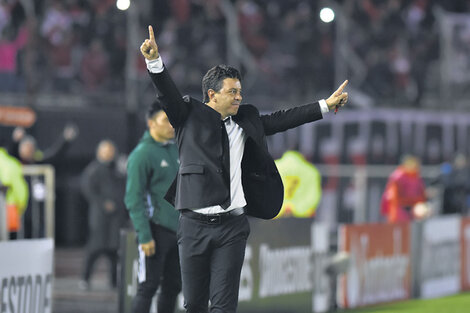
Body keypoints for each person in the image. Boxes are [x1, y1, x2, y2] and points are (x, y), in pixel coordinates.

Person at [140, 25, 348, 313]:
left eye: (240, 91)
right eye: (232, 91)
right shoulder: (187, 114)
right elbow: (167, 94)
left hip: (232, 227)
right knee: (194, 305)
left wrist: (324, 105)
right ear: (212, 94)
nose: (239, 97)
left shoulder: (246, 118)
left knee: (224, 307)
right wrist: (154, 62)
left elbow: (282, 119)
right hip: (193, 226)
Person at [124, 98, 181, 313]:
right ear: (151, 123)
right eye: (165, 121)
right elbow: (133, 198)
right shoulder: (142, 155)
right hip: (155, 230)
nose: (171, 126)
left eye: (172, 121)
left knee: (173, 287)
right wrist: (144, 234)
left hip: (179, 231)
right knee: (148, 286)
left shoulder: (176, 150)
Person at [79, 139, 126, 290]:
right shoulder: (93, 169)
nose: (108, 154)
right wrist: (103, 203)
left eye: (111, 151)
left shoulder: (118, 170)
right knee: (94, 249)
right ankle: (85, 279)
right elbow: (88, 190)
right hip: (100, 218)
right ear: (99, 152)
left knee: (114, 251)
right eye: (105, 151)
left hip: (116, 219)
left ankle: (113, 282)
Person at [380, 154, 428, 223]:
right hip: (400, 210)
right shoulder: (398, 177)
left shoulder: (417, 177)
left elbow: (422, 194)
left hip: (413, 210)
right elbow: (393, 198)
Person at [0, 136, 28, 239]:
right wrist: (21, 207)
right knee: (9, 241)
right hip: (9, 207)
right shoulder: (11, 164)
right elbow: (20, 190)